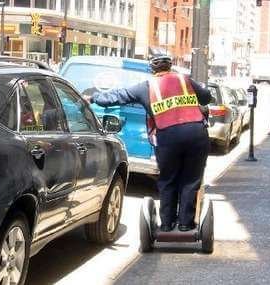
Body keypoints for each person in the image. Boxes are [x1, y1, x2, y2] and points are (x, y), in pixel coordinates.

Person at [83, 56, 211, 232]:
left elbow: (118, 96)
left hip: (169, 135)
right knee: (190, 179)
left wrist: (94, 98)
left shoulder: (146, 87)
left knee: (168, 179)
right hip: (196, 133)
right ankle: (185, 224)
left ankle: (166, 225)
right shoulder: (184, 80)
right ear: (170, 67)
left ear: (153, 70)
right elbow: (206, 98)